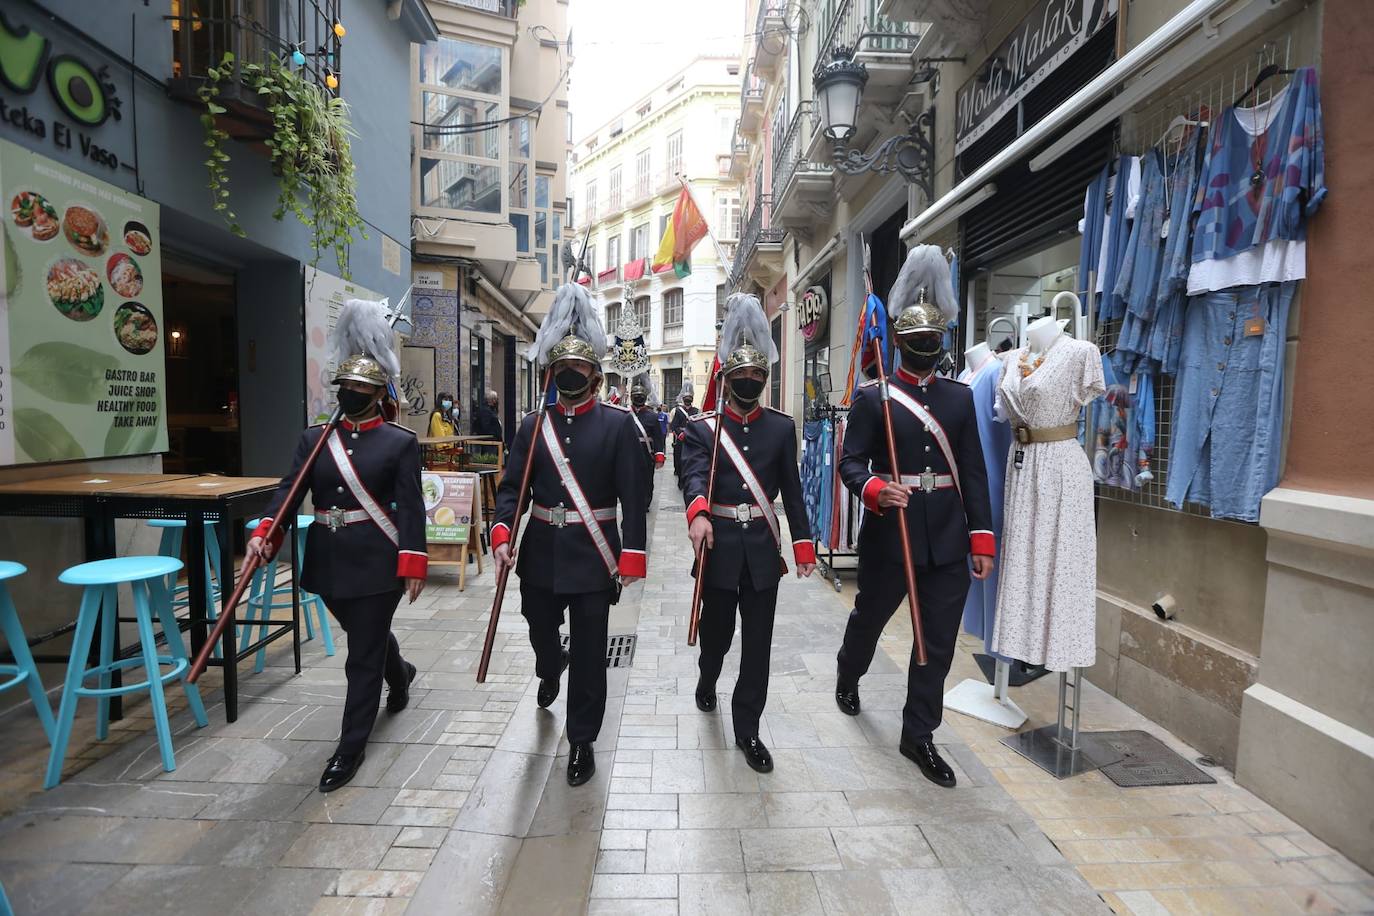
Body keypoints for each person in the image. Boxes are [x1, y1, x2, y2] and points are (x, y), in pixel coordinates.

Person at [248, 298, 428, 793]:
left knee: (361, 654)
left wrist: (413, 559)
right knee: (366, 636)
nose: (350, 393)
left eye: (360, 387)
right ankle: (402, 672)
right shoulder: (314, 439)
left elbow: (410, 506)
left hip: (377, 557)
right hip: (328, 560)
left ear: (377, 392)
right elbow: (290, 489)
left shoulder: (398, 442)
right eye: (345, 386)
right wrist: (266, 531)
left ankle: (350, 746)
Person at [834, 246, 995, 789]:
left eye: (934, 340)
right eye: (918, 340)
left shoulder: (957, 398)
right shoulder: (873, 397)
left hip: (947, 539)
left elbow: (972, 470)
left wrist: (982, 538)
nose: (927, 348)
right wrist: (877, 488)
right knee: (870, 619)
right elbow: (850, 462)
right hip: (890, 535)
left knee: (938, 643)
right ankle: (848, 669)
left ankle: (918, 734)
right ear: (899, 342)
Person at [492, 283, 649, 787]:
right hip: (540, 551)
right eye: (562, 368)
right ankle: (546, 663)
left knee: (589, 650)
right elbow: (512, 489)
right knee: (539, 624)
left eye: (579, 368)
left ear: (596, 375)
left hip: (593, 555)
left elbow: (633, 498)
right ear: (550, 373)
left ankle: (582, 738)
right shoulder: (530, 427)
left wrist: (632, 555)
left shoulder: (619, 426)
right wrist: (500, 533)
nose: (571, 374)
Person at [680, 293, 815, 774]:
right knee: (716, 636)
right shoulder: (703, 429)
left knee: (757, 646)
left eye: (757, 376)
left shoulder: (781, 428)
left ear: (765, 379)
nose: (749, 382)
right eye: (741, 376)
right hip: (717, 549)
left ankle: (748, 730)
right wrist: (697, 513)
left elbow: (794, 493)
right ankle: (706, 675)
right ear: (726, 377)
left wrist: (803, 545)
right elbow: (693, 476)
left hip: (761, 550)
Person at [629, 375, 666, 509]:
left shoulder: (652, 416)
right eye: (636, 395)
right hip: (629, 453)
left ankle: (645, 502)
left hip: (646, 453)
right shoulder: (625, 414)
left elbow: (658, 437)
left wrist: (659, 456)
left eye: (640, 395)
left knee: (647, 480)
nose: (638, 398)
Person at [669, 381, 699, 482]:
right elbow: (674, 425)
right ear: (683, 399)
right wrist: (679, 433)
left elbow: (698, 425)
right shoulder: (678, 411)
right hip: (681, 438)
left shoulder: (696, 411)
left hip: (691, 438)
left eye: (689, 398)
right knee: (679, 458)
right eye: (686, 398)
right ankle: (680, 476)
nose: (687, 400)